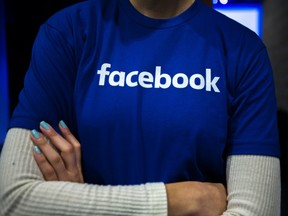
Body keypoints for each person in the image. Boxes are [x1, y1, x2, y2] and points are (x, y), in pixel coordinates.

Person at [0, 0, 281, 215]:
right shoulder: (68, 32)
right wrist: (183, 201)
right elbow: (13, 199)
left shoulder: (242, 51)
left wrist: (77, 202)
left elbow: (255, 210)